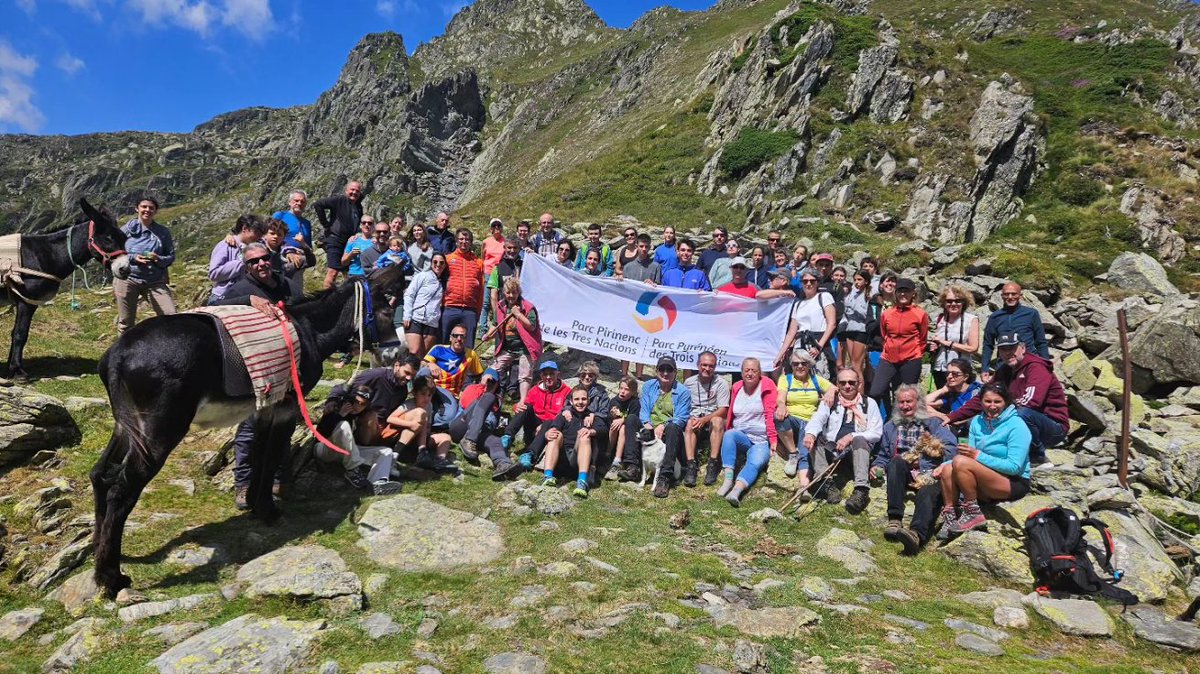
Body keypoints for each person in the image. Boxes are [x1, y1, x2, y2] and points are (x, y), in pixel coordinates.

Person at [947, 332, 1067, 467]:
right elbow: (983, 397)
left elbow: (1032, 402)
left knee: (1020, 414)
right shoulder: (1004, 370)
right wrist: (952, 417)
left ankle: (1037, 457)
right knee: (980, 419)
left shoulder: (1036, 367)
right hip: (1024, 420)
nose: (1008, 353)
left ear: (1023, 348)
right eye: (1004, 349)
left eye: (1012, 348)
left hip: (1052, 426)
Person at [872, 385, 958, 554]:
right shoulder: (890, 427)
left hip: (931, 474)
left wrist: (924, 456)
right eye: (901, 402)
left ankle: (915, 535)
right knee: (896, 462)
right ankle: (895, 520)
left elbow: (951, 449)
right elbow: (883, 454)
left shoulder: (934, 423)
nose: (905, 406)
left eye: (909, 401)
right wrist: (877, 465)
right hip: (904, 473)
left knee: (927, 492)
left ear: (918, 402)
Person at [939, 382, 1031, 537]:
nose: (992, 406)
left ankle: (972, 512)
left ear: (1006, 402)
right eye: (988, 401)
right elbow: (968, 456)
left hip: (1013, 481)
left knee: (960, 461)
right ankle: (950, 516)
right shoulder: (977, 421)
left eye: (997, 402)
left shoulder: (1017, 426)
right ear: (981, 402)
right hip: (985, 475)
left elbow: (1014, 466)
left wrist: (977, 455)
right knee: (948, 469)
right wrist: (944, 465)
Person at [803, 367, 883, 514]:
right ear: (837, 385)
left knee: (860, 438)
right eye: (843, 382)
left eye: (851, 382)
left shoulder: (869, 403)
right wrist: (810, 434)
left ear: (859, 384)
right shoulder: (830, 401)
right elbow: (818, 418)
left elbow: (876, 432)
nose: (847, 386)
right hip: (832, 451)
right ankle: (826, 484)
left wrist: (851, 436)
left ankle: (861, 491)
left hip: (855, 454)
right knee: (816, 435)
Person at [316, 385, 404, 495]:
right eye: (356, 401)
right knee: (343, 425)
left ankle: (378, 483)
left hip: (347, 452)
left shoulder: (361, 415)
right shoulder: (336, 407)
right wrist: (340, 415)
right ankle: (352, 470)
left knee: (386, 452)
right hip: (325, 448)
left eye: (362, 404)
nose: (358, 406)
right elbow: (320, 434)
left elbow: (363, 442)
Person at [715, 358, 778, 507]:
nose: (750, 374)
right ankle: (728, 479)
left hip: (760, 440)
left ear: (760, 372)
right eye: (746, 370)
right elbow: (731, 412)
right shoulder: (737, 387)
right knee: (729, 434)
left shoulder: (767, 385)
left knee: (755, 463)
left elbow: (770, 414)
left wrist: (773, 440)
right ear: (742, 372)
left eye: (754, 370)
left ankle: (737, 490)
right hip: (741, 435)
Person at [115, 196, 177, 335]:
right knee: (126, 322)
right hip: (128, 278)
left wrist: (158, 259)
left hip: (155, 280)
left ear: (155, 211)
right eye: (144, 207)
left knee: (171, 316)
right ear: (137, 208)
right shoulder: (126, 230)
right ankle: (123, 352)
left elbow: (171, 256)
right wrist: (134, 258)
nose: (147, 210)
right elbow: (116, 253)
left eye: (151, 208)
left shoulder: (163, 232)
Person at [635, 356, 693, 498]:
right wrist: (648, 424)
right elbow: (644, 410)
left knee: (673, 428)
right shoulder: (649, 385)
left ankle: (664, 477)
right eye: (662, 369)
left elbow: (681, 417)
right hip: (649, 426)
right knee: (631, 420)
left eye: (669, 370)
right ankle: (632, 466)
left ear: (675, 372)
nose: (665, 373)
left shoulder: (683, 391)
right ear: (656, 371)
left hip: (669, 430)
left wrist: (663, 425)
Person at [449, 369, 522, 480]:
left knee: (495, 440)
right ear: (481, 378)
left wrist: (490, 393)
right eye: (487, 378)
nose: (489, 382)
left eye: (493, 381)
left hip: (480, 432)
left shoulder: (496, 399)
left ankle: (503, 465)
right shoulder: (472, 388)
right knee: (488, 397)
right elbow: (468, 405)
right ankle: (469, 440)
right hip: (461, 425)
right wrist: (484, 391)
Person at [868, 278, 928, 412]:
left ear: (913, 293)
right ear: (895, 293)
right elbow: (885, 335)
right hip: (889, 358)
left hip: (911, 358)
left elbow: (923, 338)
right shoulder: (887, 313)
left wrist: (916, 354)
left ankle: (902, 425)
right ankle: (874, 423)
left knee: (907, 397)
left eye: (906, 291)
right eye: (900, 291)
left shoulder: (920, 314)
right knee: (875, 392)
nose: (902, 294)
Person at [501, 360, 571, 468]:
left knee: (549, 422)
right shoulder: (535, 390)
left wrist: (544, 425)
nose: (548, 377)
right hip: (533, 426)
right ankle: (507, 437)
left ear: (558, 374)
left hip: (551, 427)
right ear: (541, 376)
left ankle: (530, 455)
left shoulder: (566, 391)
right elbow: (524, 406)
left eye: (551, 374)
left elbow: (563, 413)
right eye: (545, 374)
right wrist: (517, 406)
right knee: (525, 407)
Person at [774, 351, 830, 484]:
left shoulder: (816, 379)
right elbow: (780, 399)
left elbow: (834, 388)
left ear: (809, 365)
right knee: (778, 416)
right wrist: (781, 406)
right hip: (792, 419)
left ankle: (803, 487)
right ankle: (793, 453)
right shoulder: (786, 379)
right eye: (795, 364)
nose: (799, 366)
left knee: (805, 452)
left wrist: (831, 393)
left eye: (803, 363)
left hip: (810, 422)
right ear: (791, 366)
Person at [484, 278, 542, 401]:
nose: (511, 296)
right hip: (507, 347)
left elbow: (532, 326)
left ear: (518, 292)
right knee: (494, 368)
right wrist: (488, 335)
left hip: (525, 348)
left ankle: (523, 401)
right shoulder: (501, 306)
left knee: (524, 375)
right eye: (508, 292)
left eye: (514, 292)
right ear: (504, 292)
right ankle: (491, 395)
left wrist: (518, 314)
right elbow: (495, 323)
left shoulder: (527, 307)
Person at [385, 375, 457, 471]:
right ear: (415, 393)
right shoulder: (409, 404)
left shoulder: (429, 405)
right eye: (423, 394)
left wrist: (428, 433)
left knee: (445, 437)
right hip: (405, 439)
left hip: (420, 439)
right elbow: (390, 419)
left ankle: (439, 460)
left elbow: (427, 427)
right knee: (421, 414)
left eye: (429, 395)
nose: (426, 398)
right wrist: (410, 424)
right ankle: (421, 452)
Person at [776, 269, 837, 378]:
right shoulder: (798, 304)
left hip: (818, 343)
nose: (808, 284)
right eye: (805, 281)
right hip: (800, 345)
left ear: (817, 282)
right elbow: (792, 331)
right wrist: (780, 354)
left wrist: (819, 346)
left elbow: (831, 323)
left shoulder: (824, 297)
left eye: (812, 281)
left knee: (820, 378)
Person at [343, 354, 419, 443]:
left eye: (412, 375)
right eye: (407, 373)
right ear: (397, 365)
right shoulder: (375, 376)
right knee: (370, 416)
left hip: (383, 426)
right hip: (363, 424)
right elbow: (345, 389)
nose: (409, 378)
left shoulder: (403, 390)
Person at [981, 282, 1050, 379]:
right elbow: (988, 344)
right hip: (1004, 365)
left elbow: (1041, 341)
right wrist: (985, 368)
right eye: (1006, 294)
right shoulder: (994, 317)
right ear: (1002, 296)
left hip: (1028, 363)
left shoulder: (1031, 314)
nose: (1010, 297)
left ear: (1020, 296)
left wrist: (1045, 364)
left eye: (1014, 294)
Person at [540, 386, 599, 498]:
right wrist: (548, 434)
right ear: (571, 401)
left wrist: (590, 431)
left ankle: (582, 481)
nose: (580, 402)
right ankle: (548, 476)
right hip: (561, 460)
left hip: (579, 462)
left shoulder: (592, 417)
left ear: (588, 400)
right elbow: (553, 427)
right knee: (556, 434)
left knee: (584, 436)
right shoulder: (564, 415)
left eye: (583, 399)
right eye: (576, 399)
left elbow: (603, 430)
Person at [683, 351, 730, 488]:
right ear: (698, 365)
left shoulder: (721, 383)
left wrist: (704, 420)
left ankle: (713, 463)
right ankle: (691, 465)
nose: (707, 369)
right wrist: (692, 417)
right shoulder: (689, 382)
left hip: (712, 417)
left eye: (711, 366)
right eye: (704, 365)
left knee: (717, 420)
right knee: (690, 423)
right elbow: (684, 405)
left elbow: (723, 409)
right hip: (695, 417)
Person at [314, 181, 364, 289]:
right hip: (335, 239)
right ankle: (325, 302)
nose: (354, 192)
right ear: (346, 191)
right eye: (352, 189)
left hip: (348, 243)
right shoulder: (340, 200)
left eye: (357, 191)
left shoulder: (358, 207)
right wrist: (326, 224)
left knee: (348, 275)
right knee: (333, 272)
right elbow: (318, 204)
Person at [930, 285, 979, 388]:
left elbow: (973, 348)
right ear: (944, 302)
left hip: (962, 371)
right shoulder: (939, 319)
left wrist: (947, 343)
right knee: (944, 402)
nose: (953, 304)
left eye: (957, 301)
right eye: (949, 301)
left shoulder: (971, 320)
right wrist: (934, 346)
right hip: (941, 368)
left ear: (964, 302)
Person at [208, 214, 266, 303]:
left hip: (247, 296)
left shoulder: (256, 246)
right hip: (223, 297)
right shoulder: (225, 245)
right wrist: (242, 263)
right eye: (256, 233)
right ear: (245, 228)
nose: (259, 236)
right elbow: (214, 274)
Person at [442, 228, 484, 347]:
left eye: (467, 239)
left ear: (470, 242)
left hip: (470, 310)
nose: (464, 242)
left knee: (468, 346)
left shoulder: (478, 262)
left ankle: (466, 366)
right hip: (449, 307)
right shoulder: (447, 259)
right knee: (445, 343)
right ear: (456, 241)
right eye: (461, 239)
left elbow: (481, 289)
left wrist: (478, 311)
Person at [403, 253, 448, 360]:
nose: (438, 265)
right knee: (414, 352)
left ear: (445, 265)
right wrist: (407, 315)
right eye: (435, 262)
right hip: (416, 318)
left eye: (441, 263)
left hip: (432, 322)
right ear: (431, 263)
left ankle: (420, 376)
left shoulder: (444, 282)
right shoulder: (422, 276)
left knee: (425, 356)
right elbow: (409, 294)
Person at [574, 360, 612, 482]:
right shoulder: (575, 389)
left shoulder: (601, 392)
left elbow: (604, 412)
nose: (587, 377)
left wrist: (593, 414)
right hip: (577, 420)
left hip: (595, 423)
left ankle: (592, 466)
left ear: (595, 377)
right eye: (583, 374)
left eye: (591, 375)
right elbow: (568, 405)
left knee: (592, 428)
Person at [424, 325, 484, 397]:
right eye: (455, 335)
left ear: (466, 339)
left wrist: (467, 390)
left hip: (451, 394)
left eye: (462, 336)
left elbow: (478, 375)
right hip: (433, 388)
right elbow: (422, 364)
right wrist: (430, 364)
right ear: (450, 338)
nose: (459, 339)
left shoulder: (471, 354)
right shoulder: (438, 349)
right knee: (423, 371)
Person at [272, 190, 313, 290]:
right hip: (282, 257)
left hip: (301, 259)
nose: (299, 203)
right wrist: (288, 251)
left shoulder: (307, 223)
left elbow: (309, 247)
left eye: (302, 202)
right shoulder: (280, 216)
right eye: (296, 200)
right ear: (289, 202)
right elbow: (269, 236)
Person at [838, 269, 872, 386]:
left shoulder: (869, 295)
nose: (856, 282)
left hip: (861, 331)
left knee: (857, 366)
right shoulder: (854, 293)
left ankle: (861, 394)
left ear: (866, 281)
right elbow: (847, 311)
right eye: (855, 280)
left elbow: (865, 314)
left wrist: (852, 306)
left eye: (859, 279)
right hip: (850, 329)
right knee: (853, 364)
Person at [604, 376, 641, 480]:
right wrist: (613, 415)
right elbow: (608, 419)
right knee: (615, 424)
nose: (622, 391)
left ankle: (617, 461)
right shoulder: (614, 401)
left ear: (633, 392)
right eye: (621, 388)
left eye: (627, 389)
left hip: (627, 435)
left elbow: (634, 419)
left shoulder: (635, 403)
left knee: (623, 427)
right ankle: (607, 454)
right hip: (612, 433)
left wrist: (623, 419)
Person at [929, 358, 982, 427]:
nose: (949, 377)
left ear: (965, 377)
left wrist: (949, 418)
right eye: (947, 373)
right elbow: (923, 404)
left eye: (955, 374)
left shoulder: (977, 392)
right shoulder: (951, 394)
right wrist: (943, 389)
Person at [487, 239, 524, 333]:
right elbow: (493, 295)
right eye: (509, 247)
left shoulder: (526, 265)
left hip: (523, 312)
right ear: (504, 248)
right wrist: (497, 316)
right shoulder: (497, 268)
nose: (512, 250)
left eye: (515, 248)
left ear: (520, 249)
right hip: (504, 313)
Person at [479, 218, 507, 332]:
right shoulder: (486, 241)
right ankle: (483, 329)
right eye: (494, 226)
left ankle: (500, 324)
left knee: (500, 300)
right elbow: (483, 256)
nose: (496, 228)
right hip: (488, 272)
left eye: (498, 226)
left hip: (500, 272)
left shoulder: (505, 241)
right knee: (486, 302)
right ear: (491, 229)